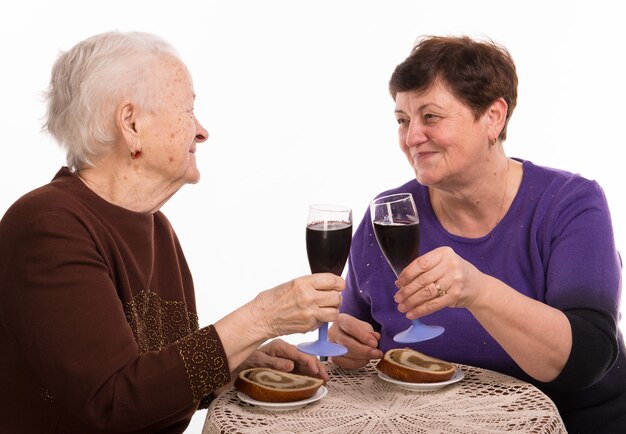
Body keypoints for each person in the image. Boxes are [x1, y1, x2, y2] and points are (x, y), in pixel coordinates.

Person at [0, 31, 345, 433]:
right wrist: (261, 319)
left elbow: (149, 382)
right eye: (187, 110)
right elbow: (113, 402)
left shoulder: (153, 224)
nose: (201, 132)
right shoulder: (48, 226)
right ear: (130, 124)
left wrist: (234, 363)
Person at [329, 35, 625, 433]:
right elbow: (357, 339)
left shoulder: (570, 204)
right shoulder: (389, 214)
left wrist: (478, 291)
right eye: (403, 120)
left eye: (430, 117)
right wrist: (345, 348)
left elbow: (586, 360)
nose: (411, 137)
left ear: (493, 117)